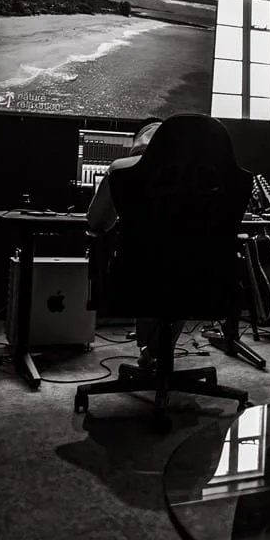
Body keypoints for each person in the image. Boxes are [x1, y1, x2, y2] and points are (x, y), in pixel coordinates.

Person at [87, 119, 185, 370]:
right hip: (199, 279)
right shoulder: (199, 174)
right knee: (180, 269)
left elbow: (97, 222)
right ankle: (155, 352)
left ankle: (152, 351)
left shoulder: (120, 170)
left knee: (148, 265)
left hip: (134, 278)